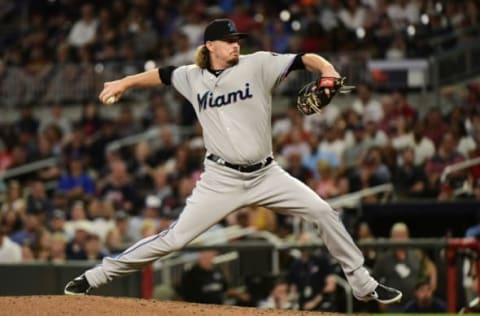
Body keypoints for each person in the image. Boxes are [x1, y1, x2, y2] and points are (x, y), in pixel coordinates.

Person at [64, 18, 402, 303]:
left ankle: (363, 284)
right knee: (175, 239)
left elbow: (305, 59)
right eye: (227, 41)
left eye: (236, 40)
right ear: (210, 45)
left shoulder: (258, 64)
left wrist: (327, 70)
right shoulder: (191, 77)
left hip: (267, 175)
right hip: (220, 179)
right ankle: (95, 277)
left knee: (323, 211)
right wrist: (124, 82)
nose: (235, 45)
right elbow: (163, 74)